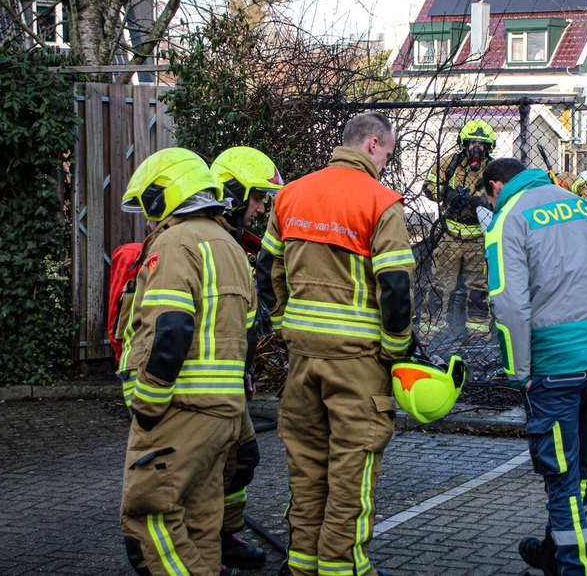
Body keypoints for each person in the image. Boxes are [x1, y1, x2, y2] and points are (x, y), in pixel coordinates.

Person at [256, 112, 414, 576]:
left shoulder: (290, 195)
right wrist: (396, 349)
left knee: (307, 466)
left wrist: (287, 327)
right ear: (372, 145)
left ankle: (301, 566)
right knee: (352, 469)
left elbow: (267, 272)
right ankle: (343, 568)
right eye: (387, 154)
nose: (386, 164)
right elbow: (396, 286)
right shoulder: (380, 202)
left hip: (302, 358)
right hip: (357, 361)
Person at [481, 157, 587, 576]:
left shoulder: (508, 220)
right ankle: (554, 551)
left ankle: (575, 567)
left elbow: (509, 303)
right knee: (581, 466)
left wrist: (518, 372)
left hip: (553, 366)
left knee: (561, 477)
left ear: (495, 187)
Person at [117, 147, 258, 576]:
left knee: (149, 519)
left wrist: (147, 404)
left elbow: (171, 328)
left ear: (166, 196)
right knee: (200, 524)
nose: (148, 221)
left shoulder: (176, 242)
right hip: (223, 414)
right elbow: (248, 329)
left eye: (149, 208)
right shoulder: (230, 246)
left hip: (180, 410)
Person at [208, 146, 286, 571]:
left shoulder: (233, 242)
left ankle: (224, 536)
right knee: (207, 471)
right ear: (233, 193)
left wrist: (246, 371)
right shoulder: (209, 240)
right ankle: (204, 548)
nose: (260, 208)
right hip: (205, 386)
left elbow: (243, 318)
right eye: (256, 198)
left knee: (243, 459)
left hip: (230, 379)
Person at [421, 119, 496, 341]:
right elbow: (429, 186)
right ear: (464, 144)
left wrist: (483, 203)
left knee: (479, 289)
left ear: (488, 147)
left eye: (481, 144)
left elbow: (504, 195)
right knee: (439, 285)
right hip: (450, 235)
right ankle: (429, 332)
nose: (476, 148)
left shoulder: (493, 170)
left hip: (479, 236)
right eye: (472, 142)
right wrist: (447, 194)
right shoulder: (449, 164)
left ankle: (478, 335)